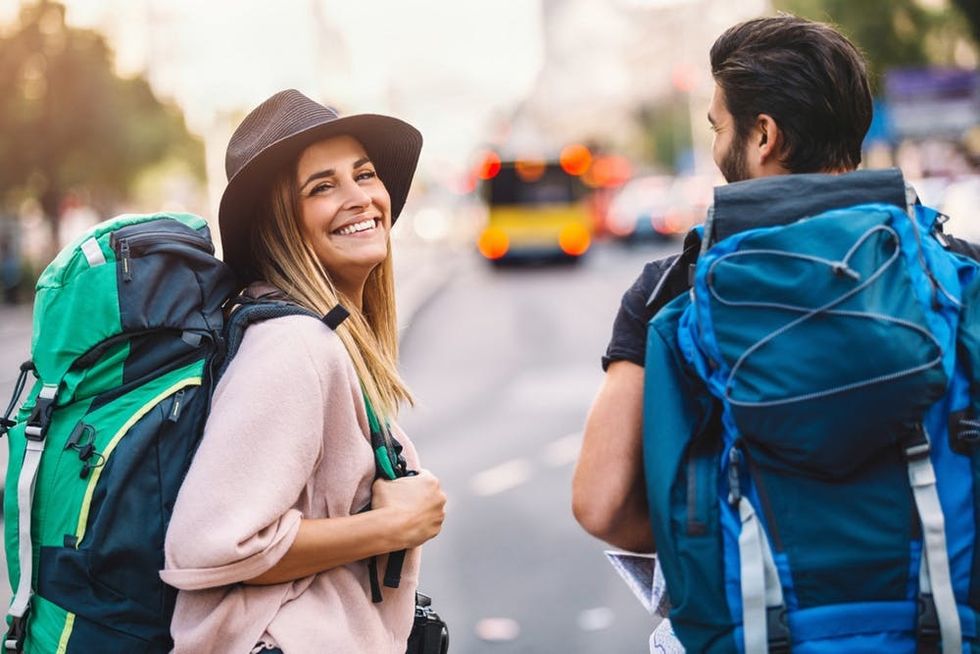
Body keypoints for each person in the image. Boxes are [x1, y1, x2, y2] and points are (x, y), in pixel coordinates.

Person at [572, 14, 980, 554]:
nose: (717, 147)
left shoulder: (676, 287)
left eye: (718, 127)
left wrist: (719, 548)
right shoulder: (957, 270)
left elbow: (601, 503)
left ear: (763, 135)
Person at [161, 89, 446, 654]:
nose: (359, 198)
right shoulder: (293, 345)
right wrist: (390, 527)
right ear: (280, 224)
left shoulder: (321, 333)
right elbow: (208, 547)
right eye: (322, 187)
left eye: (364, 175)